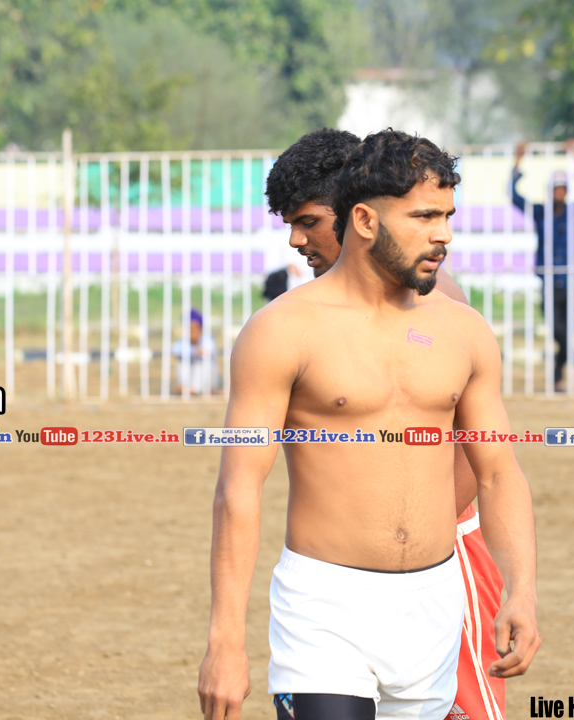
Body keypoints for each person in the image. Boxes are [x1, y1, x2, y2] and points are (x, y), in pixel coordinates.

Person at [199, 130, 541, 720]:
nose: (443, 234)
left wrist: (523, 591)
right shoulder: (281, 330)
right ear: (363, 219)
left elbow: (498, 472)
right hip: (325, 607)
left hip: (434, 603)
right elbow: (238, 488)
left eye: (446, 216)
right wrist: (225, 639)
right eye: (425, 217)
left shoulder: (462, 329)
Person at [510, 139, 574, 391]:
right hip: (548, 279)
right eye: (555, 188)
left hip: (573, 279)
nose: (559, 192)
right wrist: (518, 160)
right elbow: (513, 195)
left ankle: (557, 378)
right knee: (558, 330)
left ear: (567, 191)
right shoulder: (540, 212)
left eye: (562, 188)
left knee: (566, 331)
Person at [172, 309, 221, 395]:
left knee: (201, 363)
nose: (192, 332)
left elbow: (206, 352)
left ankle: (195, 389)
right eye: (190, 329)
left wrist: (192, 352)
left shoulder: (207, 339)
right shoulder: (183, 341)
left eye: (195, 329)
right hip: (190, 378)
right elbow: (174, 350)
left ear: (201, 329)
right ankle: (187, 387)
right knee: (182, 361)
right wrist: (194, 351)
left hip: (207, 378)